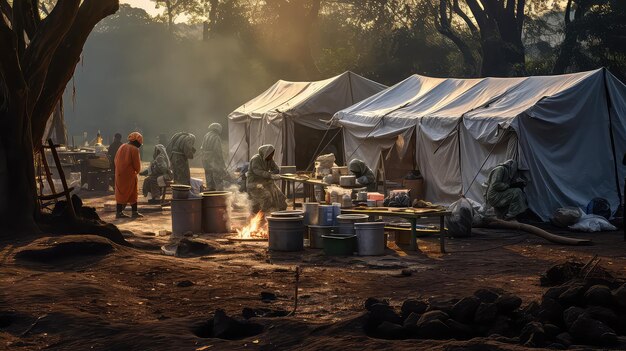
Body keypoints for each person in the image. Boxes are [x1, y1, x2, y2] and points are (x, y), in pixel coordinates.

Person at [246, 144, 287, 214]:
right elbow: (258, 171)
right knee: (266, 198)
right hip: (254, 184)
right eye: (271, 154)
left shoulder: (269, 159)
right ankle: (263, 216)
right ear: (266, 153)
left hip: (265, 182)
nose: (272, 156)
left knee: (281, 198)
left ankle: (280, 215)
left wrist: (274, 172)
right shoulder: (256, 159)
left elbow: (276, 168)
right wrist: (270, 175)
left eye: (272, 154)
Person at [114, 132, 143, 219]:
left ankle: (120, 212)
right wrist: (137, 171)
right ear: (138, 142)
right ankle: (133, 212)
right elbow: (137, 164)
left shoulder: (122, 146)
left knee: (121, 193)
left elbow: (115, 160)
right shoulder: (134, 149)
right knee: (133, 192)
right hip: (129, 175)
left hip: (119, 174)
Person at [201, 123, 227, 191]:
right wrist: (221, 161)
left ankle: (210, 187)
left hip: (205, 157)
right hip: (213, 158)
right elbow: (217, 150)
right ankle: (219, 189)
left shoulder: (206, 135)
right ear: (218, 129)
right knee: (216, 173)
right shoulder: (216, 136)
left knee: (208, 172)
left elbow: (202, 147)